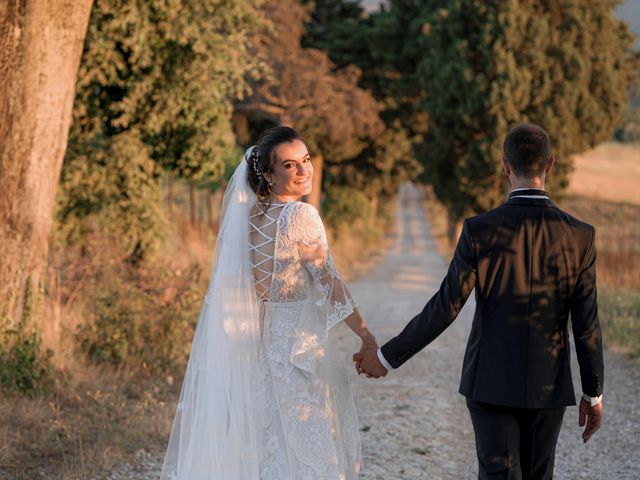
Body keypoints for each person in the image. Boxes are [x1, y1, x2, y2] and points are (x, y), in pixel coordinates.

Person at [355, 123, 604, 479]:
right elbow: (587, 324)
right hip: (548, 386)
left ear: (505, 166)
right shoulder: (581, 236)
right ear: (549, 165)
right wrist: (593, 393)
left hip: (489, 382)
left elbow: (445, 307)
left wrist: (386, 357)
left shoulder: (478, 230)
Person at [160, 126, 377, 480]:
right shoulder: (301, 216)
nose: (304, 170)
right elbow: (330, 285)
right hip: (295, 349)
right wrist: (366, 336)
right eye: (290, 165)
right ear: (268, 174)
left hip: (257, 348)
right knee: (304, 446)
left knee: (267, 445)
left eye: (305, 160)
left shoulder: (248, 217)